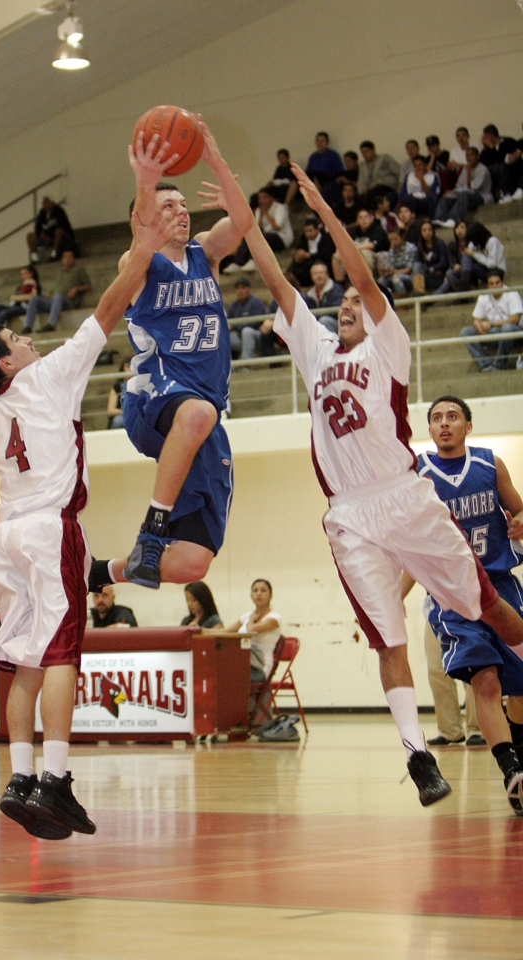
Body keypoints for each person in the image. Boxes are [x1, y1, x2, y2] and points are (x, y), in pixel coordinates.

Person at [216, 156, 523, 805]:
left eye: (360, 300)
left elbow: (361, 272)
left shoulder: (389, 347)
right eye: (346, 303)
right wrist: (240, 207)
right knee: (389, 635)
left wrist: (325, 213)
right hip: (349, 511)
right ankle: (418, 757)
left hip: (404, 495)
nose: (352, 304)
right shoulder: (317, 348)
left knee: (498, 614)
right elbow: (275, 278)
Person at [0, 204, 181, 840]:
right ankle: (55, 781)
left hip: (8, 539)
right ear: (8, 364)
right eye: (18, 341)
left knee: (24, 656)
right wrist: (145, 245)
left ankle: (20, 777)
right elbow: (108, 307)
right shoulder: (49, 377)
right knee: (59, 653)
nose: (29, 340)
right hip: (50, 529)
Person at [91, 117, 252, 593]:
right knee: (198, 412)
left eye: (184, 205)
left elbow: (243, 222)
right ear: (144, 216)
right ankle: (152, 527)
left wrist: (217, 163)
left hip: (203, 413)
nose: (181, 211)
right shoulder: (138, 263)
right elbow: (142, 232)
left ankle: (107, 570)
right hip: (153, 398)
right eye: (167, 205)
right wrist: (145, 182)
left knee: (191, 565)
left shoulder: (206, 254)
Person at [404, 395, 523, 814]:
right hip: (452, 595)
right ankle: (511, 771)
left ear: (468, 426)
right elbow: (412, 549)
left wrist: (520, 521)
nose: (444, 424)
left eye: (452, 416)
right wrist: (392, 601)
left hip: (501, 586)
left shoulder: (491, 464)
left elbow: (519, 510)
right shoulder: (418, 474)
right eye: (436, 418)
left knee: (520, 689)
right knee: (485, 682)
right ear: (430, 429)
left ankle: (520, 760)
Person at [460, 269, 522, 372]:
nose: (495, 286)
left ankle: (499, 365)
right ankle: (485, 365)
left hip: (514, 333)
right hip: (494, 333)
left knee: (506, 328)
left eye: (497, 283)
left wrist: (492, 324)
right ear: (488, 286)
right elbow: (476, 319)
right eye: (491, 284)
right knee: (465, 332)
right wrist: (478, 326)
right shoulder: (483, 296)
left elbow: (515, 319)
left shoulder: (511, 293)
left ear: (503, 283)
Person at [225, 579, 282, 682]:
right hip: (243, 662)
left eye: (263, 590)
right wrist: (200, 629)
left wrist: (251, 621)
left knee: (228, 676)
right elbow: (224, 631)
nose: (259, 593)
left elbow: (251, 630)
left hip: (260, 666)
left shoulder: (274, 618)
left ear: (270, 596)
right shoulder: (246, 615)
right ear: (251, 595)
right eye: (255, 590)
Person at [22, 250, 91, 334]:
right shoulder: (59, 272)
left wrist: (76, 288)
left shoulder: (79, 270)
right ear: (62, 259)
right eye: (65, 257)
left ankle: (51, 324)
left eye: (70, 257)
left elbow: (88, 286)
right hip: (54, 300)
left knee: (58, 296)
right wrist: (50, 293)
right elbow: (55, 287)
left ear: (74, 259)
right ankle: (27, 326)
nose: (67, 259)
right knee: (34, 298)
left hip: (68, 302)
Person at [433, 147, 493, 227]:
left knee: (463, 195)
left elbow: (472, 189)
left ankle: (453, 219)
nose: (469, 158)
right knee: (445, 198)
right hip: (465, 194)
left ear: (477, 157)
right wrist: (451, 193)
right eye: (467, 155)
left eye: (471, 155)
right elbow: (459, 185)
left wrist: (468, 172)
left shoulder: (483, 169)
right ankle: (439, 219)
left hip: (482, 196)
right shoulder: (465, 169)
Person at [333, 207, 388, 280]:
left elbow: (372, 245)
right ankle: (340, 284)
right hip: (354, 256)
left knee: (362, 252)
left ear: (371, 218)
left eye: (366, 217)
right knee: (336, 256)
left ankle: (368, 281)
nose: (364, 220)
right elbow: (344, 243)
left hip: (373, 256)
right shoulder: (354, 232)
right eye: (360, 218)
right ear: (357, 221)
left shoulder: (377, 229)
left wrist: (354, 248)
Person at [226, 278, 269, 360]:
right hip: (239, 337)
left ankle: (246, 365)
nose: (240, 291)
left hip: (256, 334)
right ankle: (229, 367)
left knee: (247, 331)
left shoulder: (256, 302)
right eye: (238, 288)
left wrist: (235, 327)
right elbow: (229, 323)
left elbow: (256, 322)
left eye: (243, 287)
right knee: (224, 335)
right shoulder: (233, 306)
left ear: (249, 289)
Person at [287, 216, 336, 289]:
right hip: (306, 262)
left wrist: (310, 255)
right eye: (306, 231)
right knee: (292, 267)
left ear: (317, 230)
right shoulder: (303, 238)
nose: (308, 234)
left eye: (310, 230)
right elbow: (299, 249)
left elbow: (327, 254)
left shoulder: (326, 238)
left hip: (321, 261)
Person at [27, 196, 79, 263]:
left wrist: (49, 234)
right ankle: (34, 259)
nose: (46, 205)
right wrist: (41, 234)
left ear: (52, 203)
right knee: (30, 236)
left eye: (47, 202)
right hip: (47, 238)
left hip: (61, 238)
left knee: (58, 231)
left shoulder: (59, 211)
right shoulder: (41, 213)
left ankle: (54, 255)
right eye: (44, 203)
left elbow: (62, 226)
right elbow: (37, 228)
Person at [458, 220, 506, 289]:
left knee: (472, 265)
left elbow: (492, 264)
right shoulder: (477, 243)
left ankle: (464, 283)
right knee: (466, 257)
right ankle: (465, 281)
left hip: (496, 270)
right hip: (484, 268)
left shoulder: (492, 241)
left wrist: (474, 254)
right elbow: (470, 249)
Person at [305, 131, 344, 206]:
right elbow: (309, 172)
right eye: (318, 141)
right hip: (315, 181)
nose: (320, 144)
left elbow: (339, 172)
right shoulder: (313, 157)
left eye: (322, 141)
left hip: (329, 181)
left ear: (327, 142)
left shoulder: (333, 155)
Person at [304, 261, 344, 333]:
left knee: (324, 320)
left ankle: (332, 344)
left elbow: (337, 312)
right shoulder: (309, 295)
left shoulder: (336, 289)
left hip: (338, 323)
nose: (319, 276)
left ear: (327, 274)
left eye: (321, 273)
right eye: (316, 273)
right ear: (312, 277)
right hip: (318, 324)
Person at [377, 228, 418, 297]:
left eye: (395, 239)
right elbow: (392, 266)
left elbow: (408, 270)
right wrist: (386, 271)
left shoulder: (411, 248)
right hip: (394, 274)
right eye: (391, 240)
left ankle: (402, 304)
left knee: (396, 279)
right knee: (381, 280)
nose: (393, 242)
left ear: (402, 237)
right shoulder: (392, 250)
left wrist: (394, 272)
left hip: (408, 276)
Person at [412, 219, 449, 295]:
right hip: (426, 275)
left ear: (433, 231)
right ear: (421, 232)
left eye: (429, 230)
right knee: (416, 266)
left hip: (439, 275)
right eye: (424, 230)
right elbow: (419, 264)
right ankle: (420, 292)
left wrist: (431, 269)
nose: (427, 233)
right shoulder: (420, 246)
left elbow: (443, 263)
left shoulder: (440, 244)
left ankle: (421, 296)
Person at [400, 154, 440, 219]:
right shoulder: (409, 176)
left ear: (425, 165)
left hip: (426, 200)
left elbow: (431, 194)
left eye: (420, 165)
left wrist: (421, 179)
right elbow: (402, 195)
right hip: (413, 200)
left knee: (432, 198)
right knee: (407, 198)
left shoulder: (433, 176)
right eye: (415, 166)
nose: (418, 168)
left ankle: (430, 221)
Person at [107, 359, 131, 429]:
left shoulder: (142, 385)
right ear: (123, 369)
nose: (131, 369)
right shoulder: (117, 387)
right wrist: (126, 412)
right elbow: (111, 410)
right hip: (122, 414)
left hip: (136, 414)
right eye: (128, 366)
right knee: (118, 421)